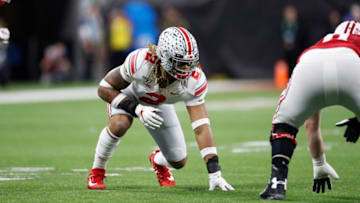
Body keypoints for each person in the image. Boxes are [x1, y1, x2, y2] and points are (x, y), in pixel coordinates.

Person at [87, 26, 234, 191]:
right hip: (130, 96)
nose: (187, 69)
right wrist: (136, 109)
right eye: (181, 63)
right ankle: (97, 170)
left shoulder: (195, 80)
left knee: (178, 161)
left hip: (157, 104)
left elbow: (201, 127)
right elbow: (104, 88)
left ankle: (157, 160)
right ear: (164, 57)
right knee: (120, 124)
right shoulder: (141, 62)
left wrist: (214, 171)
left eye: (189, 63)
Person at [260, 20, 360, 200]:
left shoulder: (323, 43)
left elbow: (311, 124)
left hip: (311, 63)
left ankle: (277, 184)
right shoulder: (354, 42)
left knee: (284, 125)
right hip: (351, 62)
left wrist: (319, 163)